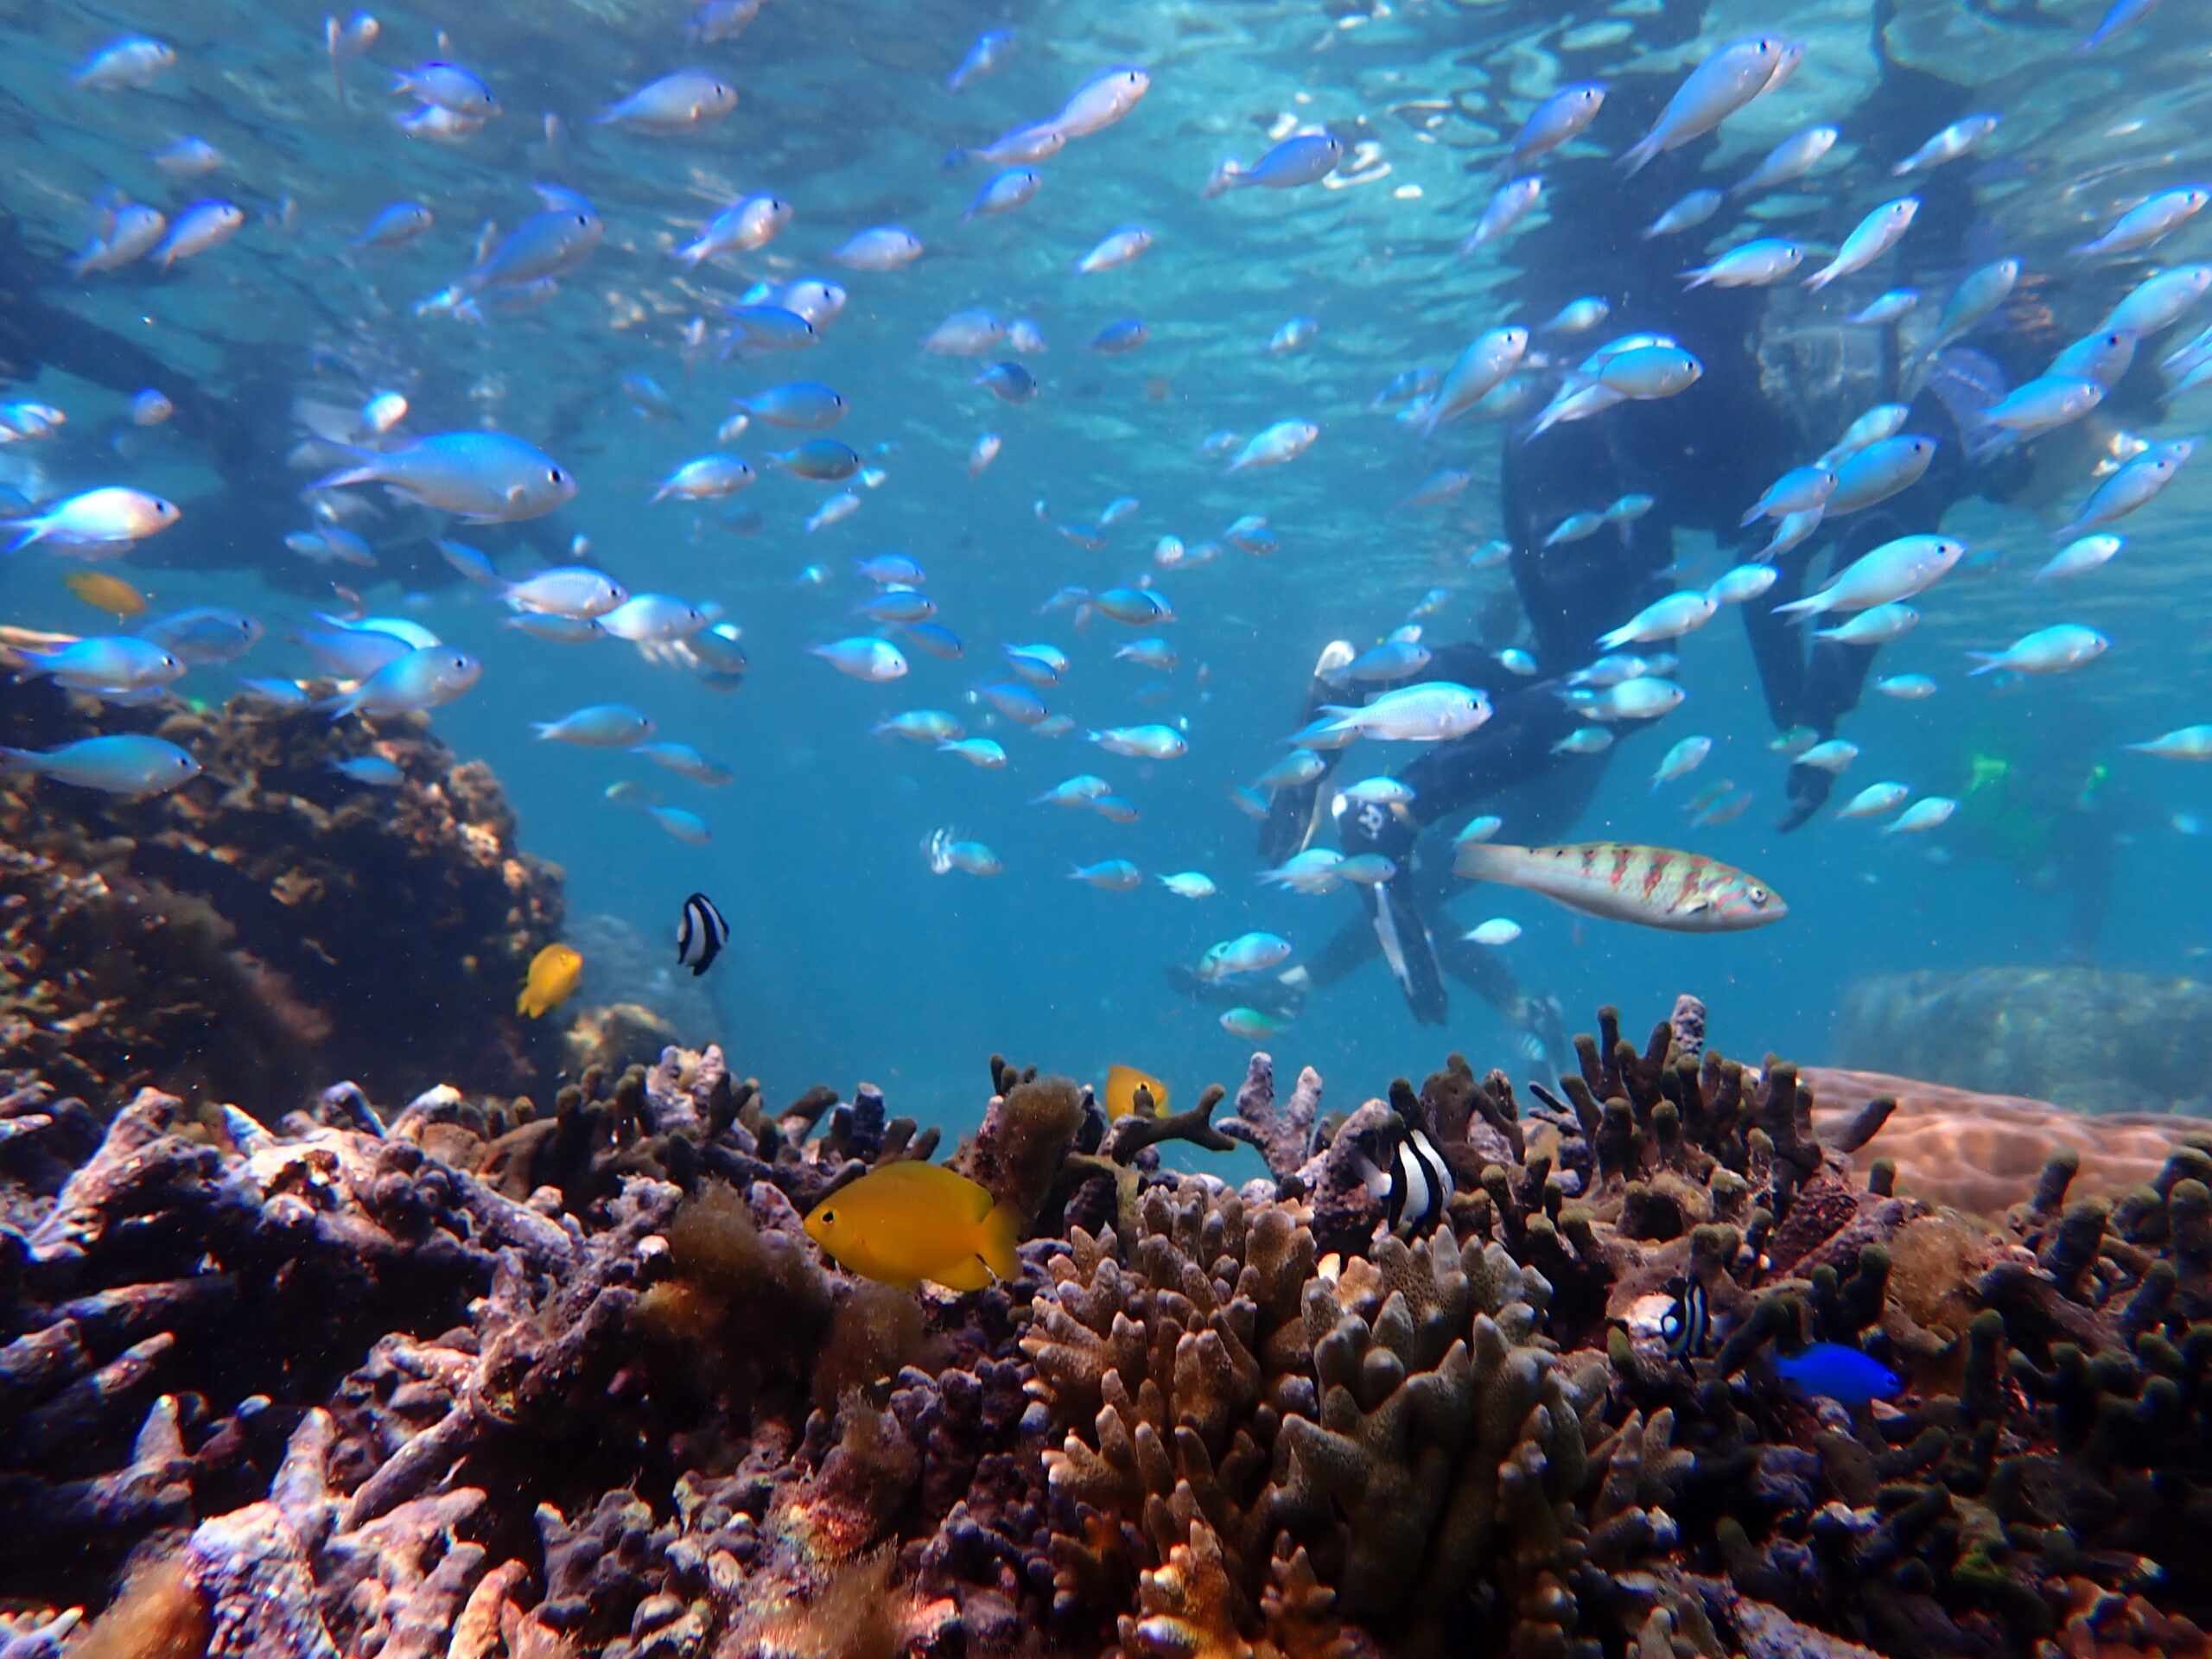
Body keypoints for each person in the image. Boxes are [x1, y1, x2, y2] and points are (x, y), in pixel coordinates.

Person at [1197, 54, 2150, 1037]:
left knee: (1572, 675)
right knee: (1613, 689)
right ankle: (1395, 809)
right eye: (2108, 443)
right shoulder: (1964, 402)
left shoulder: (1921, 378)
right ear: (2077, 402)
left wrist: (1799, 714)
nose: (2102, 472)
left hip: (1570, 422)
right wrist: (1817, 720)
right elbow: (1860, 565)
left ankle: (1358, 696)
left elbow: (1769, 571)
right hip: (1604, 438)